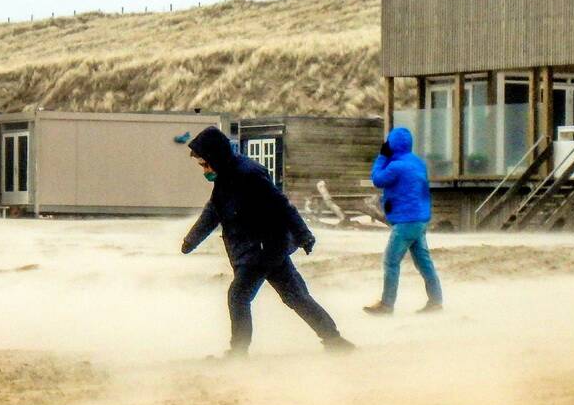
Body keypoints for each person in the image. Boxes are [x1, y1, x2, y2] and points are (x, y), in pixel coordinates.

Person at [181, 126, 355, 356]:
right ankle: (334, 340)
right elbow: (213, 212)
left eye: (205, 164)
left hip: (261, 249)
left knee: (238, 296)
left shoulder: (249, 175)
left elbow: (281, 205)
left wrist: (303, 234)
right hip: (265, 249)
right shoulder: (225, 178)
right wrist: (191, 241)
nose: (204, 170)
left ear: (216, 156)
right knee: (296, 297)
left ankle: (238, 352)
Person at [364, 127, 443, 315]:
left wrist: (382, 156)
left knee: (391, 261)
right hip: (420, 218)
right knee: (424, 262)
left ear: (391, 144)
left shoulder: (395, 166)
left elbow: (377, 179)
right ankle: (436, 300)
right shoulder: (418, 163)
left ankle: (386, 305)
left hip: (406, 221)